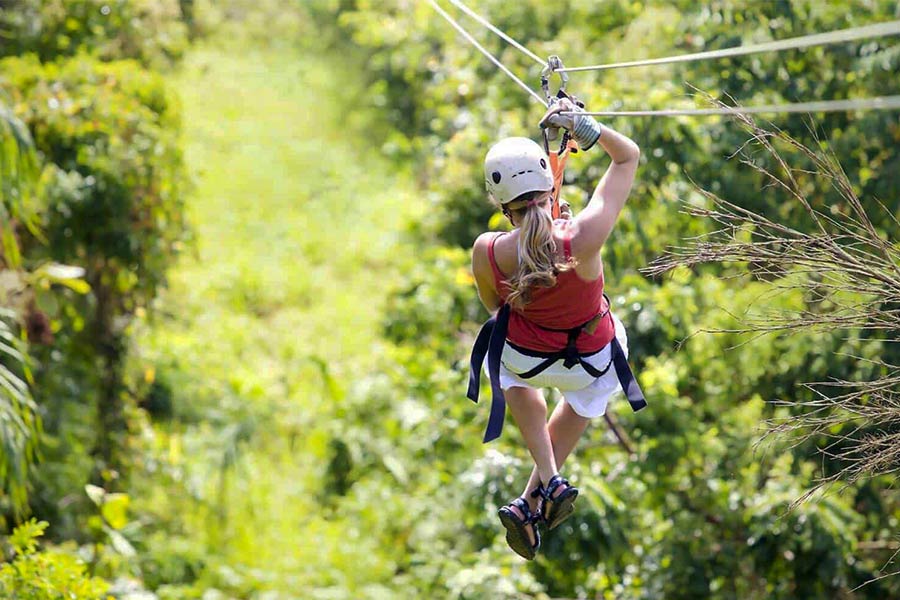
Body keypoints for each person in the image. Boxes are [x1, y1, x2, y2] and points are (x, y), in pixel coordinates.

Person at [468, 98, 643, 560]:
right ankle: (538, 492)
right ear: (551, 188)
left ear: (503, 207)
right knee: (587, 393)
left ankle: (544, 485)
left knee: (500, 355)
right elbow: (628, 156)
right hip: (591, 359)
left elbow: (495, 305)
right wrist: (588, 129)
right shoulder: (583, 237)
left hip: (526, 356)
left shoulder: (487, 251)